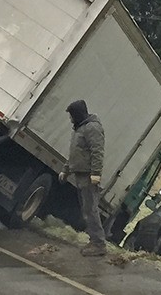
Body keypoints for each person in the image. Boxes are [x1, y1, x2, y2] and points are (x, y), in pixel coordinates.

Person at [58, 99, 106, 256]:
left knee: (91, 210)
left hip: (88, 177)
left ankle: (99, 244)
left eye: (71, 115)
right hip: (79, 175)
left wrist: (96, 174)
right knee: (86, 209)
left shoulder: (92, 128)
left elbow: (97, 151)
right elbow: (75, 153)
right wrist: (66, 170)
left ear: (77, 114)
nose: (70, 119)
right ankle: (94, 240)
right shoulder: (79, 129)